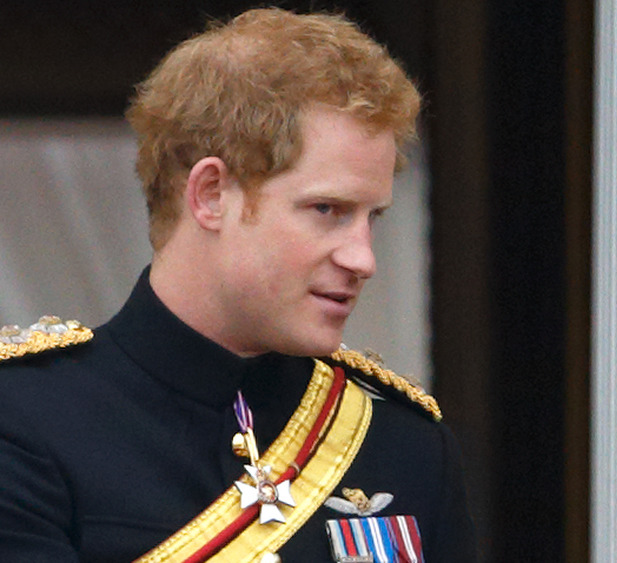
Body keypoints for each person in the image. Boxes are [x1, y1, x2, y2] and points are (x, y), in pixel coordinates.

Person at [0, 8, 475, 562]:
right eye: (327, 209)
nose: (363, 258)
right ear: (210, 195)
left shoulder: (405, 445)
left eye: (373, 218)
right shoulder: (25, 423)